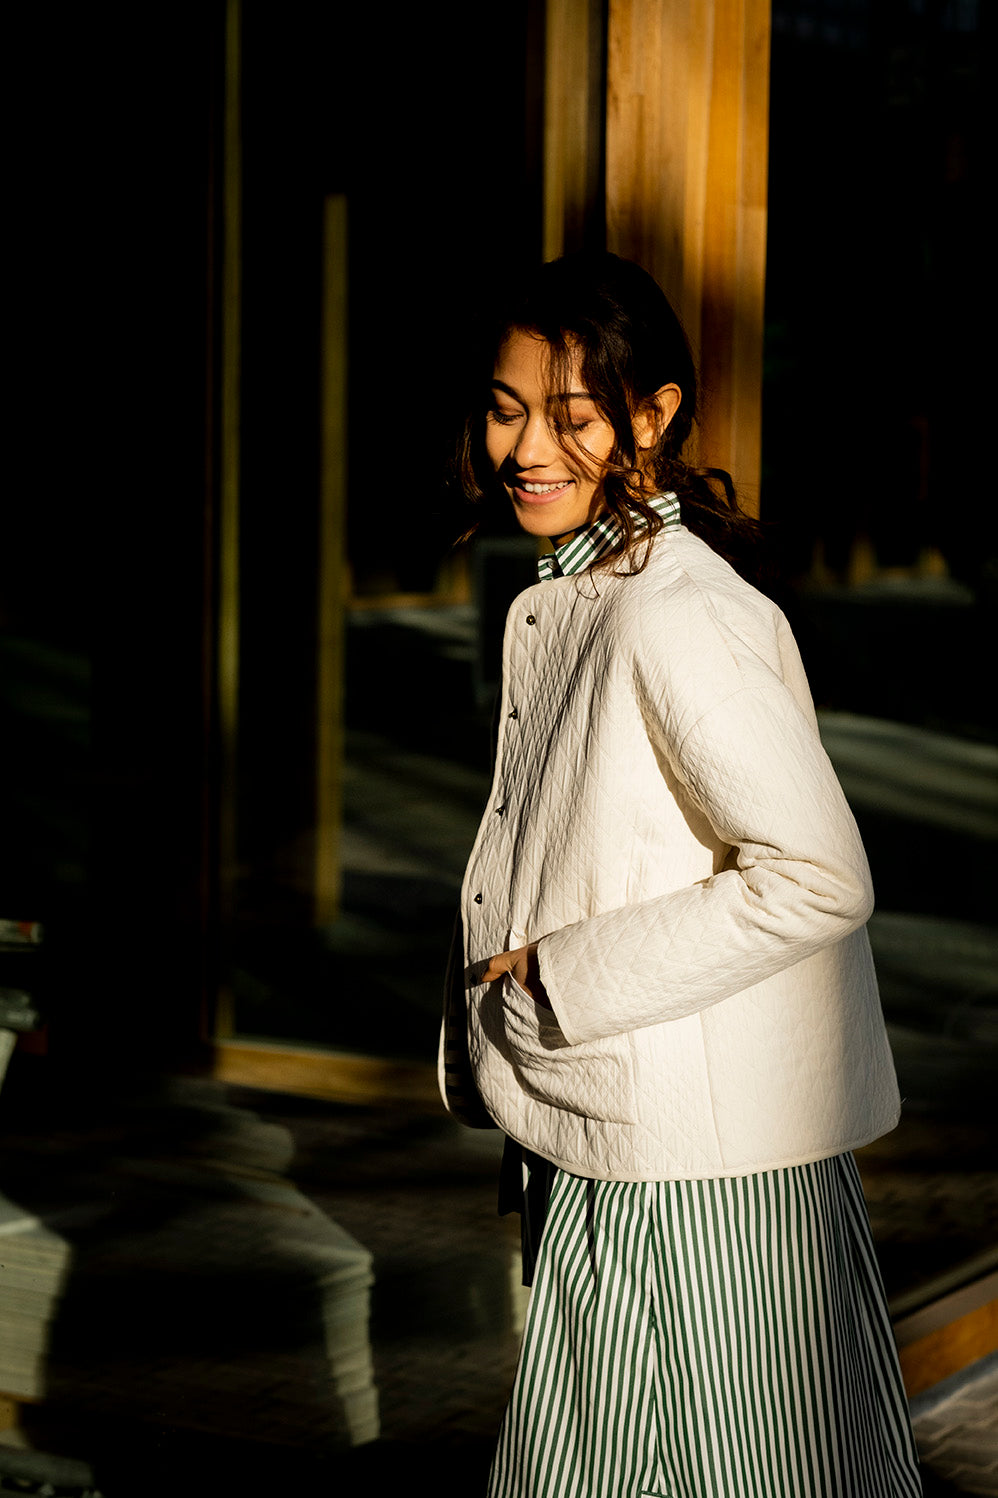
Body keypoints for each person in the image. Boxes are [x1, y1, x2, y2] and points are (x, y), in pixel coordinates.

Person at [439, 251, 921, 1498]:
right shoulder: (596, 589)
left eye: (570, 416)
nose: (524, 449)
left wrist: (559, 976)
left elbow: (816, 874)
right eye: (504, 409)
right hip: (637, 1136)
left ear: (650, 416)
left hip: (699, 1180)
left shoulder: (674, 611)